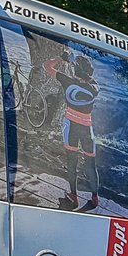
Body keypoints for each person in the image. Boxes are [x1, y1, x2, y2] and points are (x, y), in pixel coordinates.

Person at [53, 52, 101, 212]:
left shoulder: (67, 81)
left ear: (76, 71)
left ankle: (73, 196)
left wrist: (62, 58)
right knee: (90, 165)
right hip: (87, 129)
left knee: (71, 163)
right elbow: (88, 80)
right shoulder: (95, 88)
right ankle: (94, 198)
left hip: (70, 126)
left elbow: (47, 66)